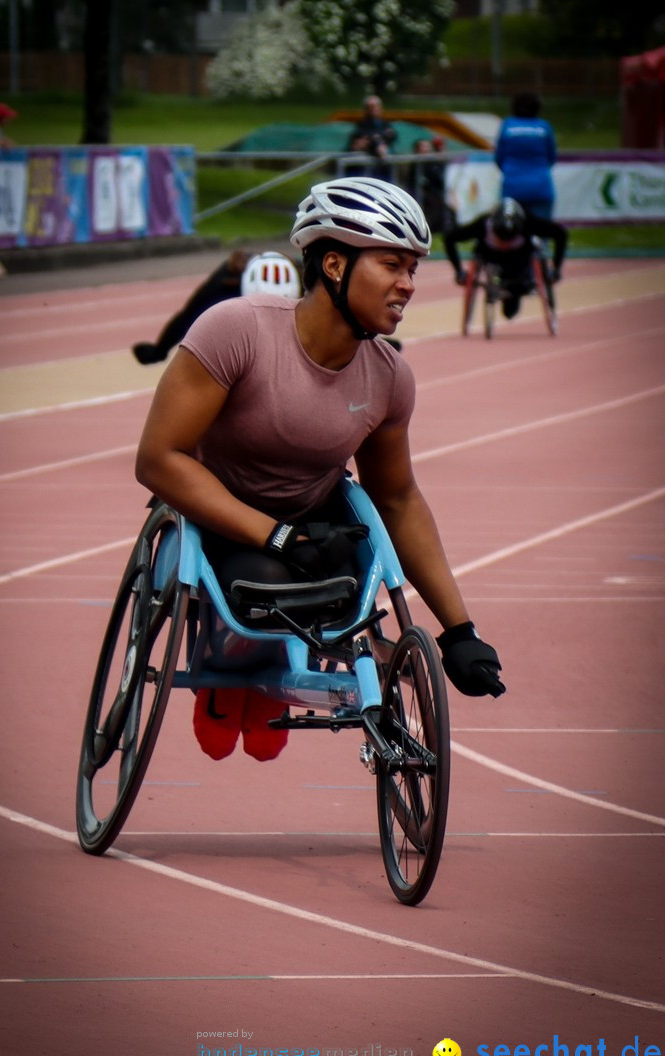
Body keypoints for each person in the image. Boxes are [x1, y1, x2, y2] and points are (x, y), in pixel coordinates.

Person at [135, 177, 505, 761]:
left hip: (314, 522)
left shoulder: (389, 377)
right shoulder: (236, 331)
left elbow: (399, 499)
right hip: (222, 518)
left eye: (413, 269)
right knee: (267, 585)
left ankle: (277, 674)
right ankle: (227, 686)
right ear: (334, 264)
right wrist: (273, 534)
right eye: (391, 265)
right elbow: (159, 458)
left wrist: (461, 632)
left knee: (343, 584)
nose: (407, 285)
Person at [132, 250, 302, 366]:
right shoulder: (223, 285)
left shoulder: (308, 283)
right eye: (263, 308)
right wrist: (160, 350)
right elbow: (189, 317)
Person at [444, 197, 568, 320]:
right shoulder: (483, 224)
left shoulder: (528, 222)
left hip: (519, 269)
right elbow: (450, 238)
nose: (505, 243)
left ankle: (513, 297)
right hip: (493, 262)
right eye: (501, 238)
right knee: (510, 304)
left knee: (512, 303)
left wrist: (556, 268)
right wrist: (459, 271)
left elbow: (560, 234)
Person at [494, 92, 557, 219]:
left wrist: (511, 171)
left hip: (512, 188)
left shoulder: (508, 126)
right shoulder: (544, 127)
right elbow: (552, 157)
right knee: (541, 231)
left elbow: (499, 157)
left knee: (512, 233)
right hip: (541, 187)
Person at [345, 95, 397, 180]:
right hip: (362, 170)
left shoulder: (385, 124)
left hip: (382, 170)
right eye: (370, 107)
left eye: (375, 106)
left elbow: (392, 135)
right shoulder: (361, 125)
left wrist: (380, 140)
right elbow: (361, 138)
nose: (373, 109)